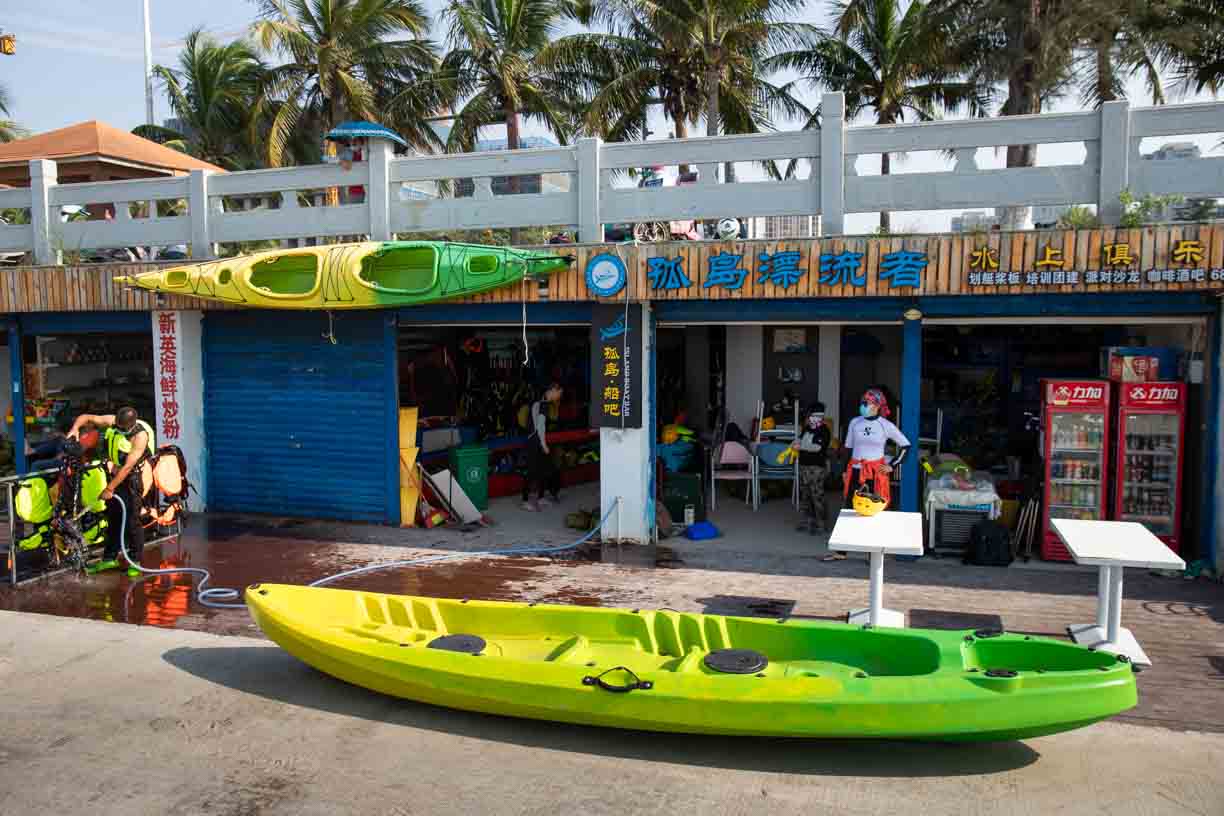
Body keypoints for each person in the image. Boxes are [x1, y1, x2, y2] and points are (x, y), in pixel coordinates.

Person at [68, 407, 156, 577]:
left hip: (132, 480)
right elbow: (88, 416)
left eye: (122, 429)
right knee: (113, 517)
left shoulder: (140, 436)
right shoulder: (113, 421)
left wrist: (109, 488)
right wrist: (75, 428)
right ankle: (109, 558)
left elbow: (128, 467)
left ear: (131, 425)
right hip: (115, 476)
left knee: (132, 521)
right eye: (117, 426)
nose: (118, 430)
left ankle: (135, 560)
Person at [826, 388, 910, 560]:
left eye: (868, 402)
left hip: (875, 473)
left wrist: (892, 465)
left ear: (878, 405)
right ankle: (841, 552)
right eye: (863, 401)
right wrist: (843, 471)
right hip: (855, 471)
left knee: (874, 511)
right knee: (849, 508)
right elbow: (847, 449)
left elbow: (905, 446)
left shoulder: (885, 425)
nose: (864, 405)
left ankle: (874, 555)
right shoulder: (854, 423)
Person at [521, 382, 563, 512]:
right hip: (535, 442)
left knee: (544, 469)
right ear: (553, 390)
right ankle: (525, 501)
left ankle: (540, 498)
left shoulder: (541, 402)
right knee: (532, 471)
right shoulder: (542, 404)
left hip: (536, 440)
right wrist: (544, 445)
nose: (559, 397)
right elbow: (540, 426)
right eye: (559, 393)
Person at [792, 402, 831, 535]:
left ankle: (821, 523)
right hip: (804, 466)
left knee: (817, 495)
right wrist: (796, 442)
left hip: (817, 468)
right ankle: (807, 521)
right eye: (812, 416)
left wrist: (801, 446)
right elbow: (801, 440)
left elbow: (818, 447)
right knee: (805, 495)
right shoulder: (807, 428)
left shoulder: (824, 430)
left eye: (818, 416)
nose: (814, 419)